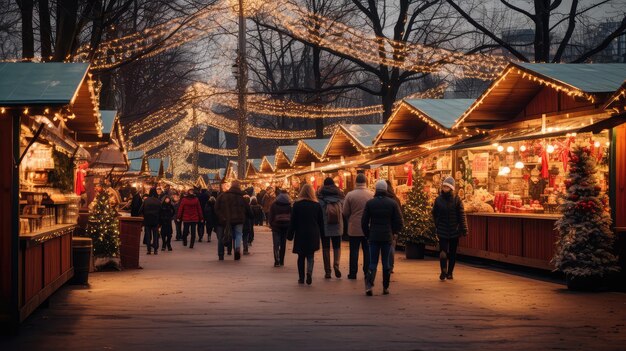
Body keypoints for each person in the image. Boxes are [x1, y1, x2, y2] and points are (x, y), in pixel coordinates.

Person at [361, 180, 403, 296]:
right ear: (385, 190)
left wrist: (367, 234)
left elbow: (364, 221)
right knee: (386, 263)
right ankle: (385, 287)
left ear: (376, 189)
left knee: (373, 262)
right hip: (387, 236)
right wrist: (394, 232)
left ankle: (369, 286)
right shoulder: (392, 203)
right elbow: (399, 221)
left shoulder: (370, 203)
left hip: (374, 236)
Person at [432, 176, 468, 281]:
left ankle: (450, 273)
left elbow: (462, 215)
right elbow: (434, 213)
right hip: (442, 229)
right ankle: (443, 270)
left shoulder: (457, 200)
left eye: (447, 187)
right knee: (443, 252)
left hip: (454, 230)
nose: (445, 188)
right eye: (444, 186)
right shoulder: (438, 200)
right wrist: (436, 224)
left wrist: (464, 228)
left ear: (451, 188)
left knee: (452, 253)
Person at [288, 184, 324, 285]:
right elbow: (320, 221)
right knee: (310, 255)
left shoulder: (297, 205)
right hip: (313, 233)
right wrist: (323, 234)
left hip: (300, 233)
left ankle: (301, 277)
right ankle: (309, 272)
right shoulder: (316, 205)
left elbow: (293, 221)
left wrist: (290, 234)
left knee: (301, 256)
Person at [343, 173, 373, 280]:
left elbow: (345, 211)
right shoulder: (371, 194)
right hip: (368, 228)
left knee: (354, 251)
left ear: (356, 182)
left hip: (354, 227)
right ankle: (367, 271)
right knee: (367, 250)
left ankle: (353, 273)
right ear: (366, 182)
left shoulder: (350, 195)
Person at [317, 177, 345, 279]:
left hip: (325, 226)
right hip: (337, 225)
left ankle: (328, 271)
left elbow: (318, 213)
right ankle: (336, 265)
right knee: (337, 247)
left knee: (326, 248)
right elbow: (344, 211)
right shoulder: (340, 196)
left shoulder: (320, 197)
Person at [215, 180, 248, 260]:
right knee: (238, 234)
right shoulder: (242, 197)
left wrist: (221, 216)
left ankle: (221, 254)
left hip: (226, 220)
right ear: (239, 186)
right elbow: (247, 208)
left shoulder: (223, 196)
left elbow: (216, 208)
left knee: (224, 235)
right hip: (239, 219)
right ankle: (237, 248)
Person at [269, 190, 292, 267]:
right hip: (285, 227)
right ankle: (282, 260)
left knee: (276, 244)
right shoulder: (289, 205)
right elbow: (291, 216)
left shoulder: (274, 204)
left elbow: (271, 215)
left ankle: (277, 260)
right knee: (283, 244)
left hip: (276, 227)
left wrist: (271, 224)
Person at [385, 180, 402, 274]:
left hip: (383, 226)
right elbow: (400, 215)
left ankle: (386, 265)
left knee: (383, 247)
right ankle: (390, 266)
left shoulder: (380, 199)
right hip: (393, 227)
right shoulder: (396, 199)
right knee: (391, 246)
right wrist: (397, 230)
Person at [140, 188, 162, 255]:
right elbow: (161, 211)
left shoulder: (146, 201)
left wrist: (144, 215)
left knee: (148, 236)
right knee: (155, 235)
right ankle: (155, 250)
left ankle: (148, 250)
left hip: (147, 220)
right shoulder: (158, 201)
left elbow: (140, 210)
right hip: (155, 220)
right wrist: (160, 221)